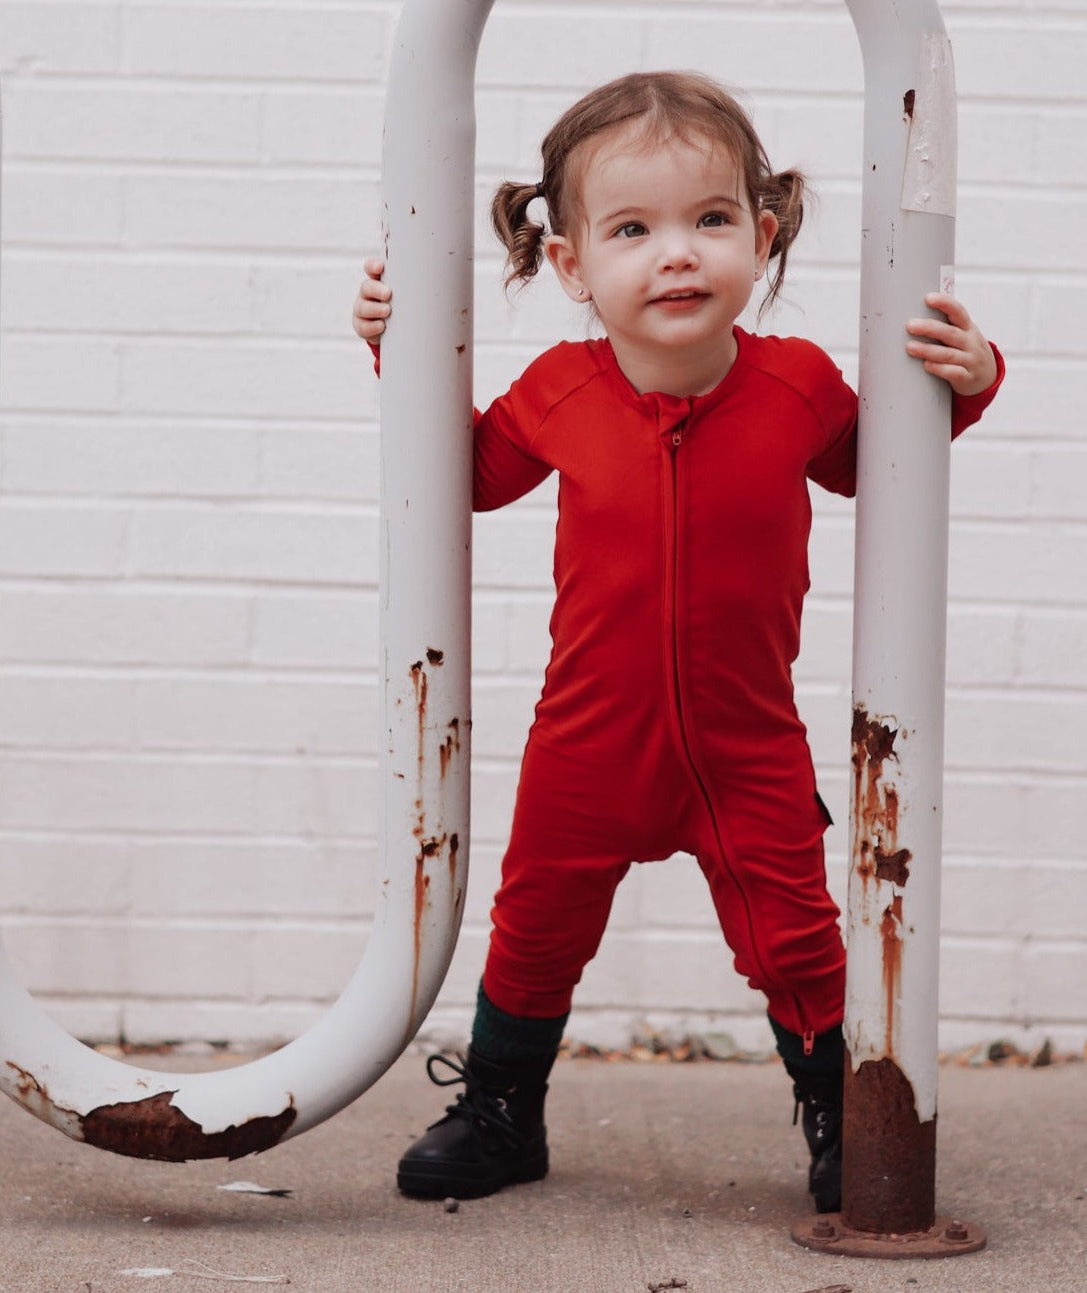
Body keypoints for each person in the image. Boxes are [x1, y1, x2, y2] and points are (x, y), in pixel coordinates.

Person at [352, 70, 1003, 1213]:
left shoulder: (797, 387)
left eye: (710, 221)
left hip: (748, 744)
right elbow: (459, 474)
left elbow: (883, 470)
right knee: (534, 930)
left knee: (799, 940)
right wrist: (395, 350)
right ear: (571, 265)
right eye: (633, 229)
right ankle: (503, 1107)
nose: (677, 254)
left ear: (761, 235)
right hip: (589, 742)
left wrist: (972, 383)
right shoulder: (560, 391)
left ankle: (835, 1109)